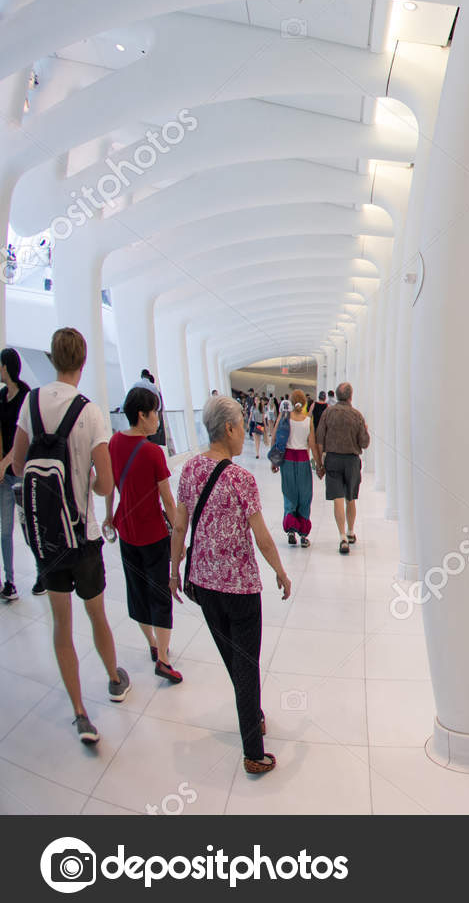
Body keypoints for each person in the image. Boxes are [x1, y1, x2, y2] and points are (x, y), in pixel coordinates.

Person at [11, 328, 126, 744]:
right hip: (83, 535)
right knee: (96, 614)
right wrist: (88, 482)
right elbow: (105, 482)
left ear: (53, 357)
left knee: (61, 623)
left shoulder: (31, 402)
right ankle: (115, 679)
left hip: (48, 539)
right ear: (83, 360)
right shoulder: (90, 411)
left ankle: (79, 712)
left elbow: (20, 464)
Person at [170, 394, 291, 775]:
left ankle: (252, 712)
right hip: (239, 589)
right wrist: (280, 571)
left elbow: (178, 525)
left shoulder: (189, 470)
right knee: (246, 665)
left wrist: (174, 568)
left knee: (234, 660)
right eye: (241, 426)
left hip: (204, 586)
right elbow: (263, 537)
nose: (245, 433)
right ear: (229, 428)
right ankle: (253, 751)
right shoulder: (241, 478)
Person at [107, 384, 183, 684]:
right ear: (142, 415)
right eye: (156, 414)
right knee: (160, 595)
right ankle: (163, 658)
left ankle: (152, 643)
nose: (159, 420)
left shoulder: (113, 443)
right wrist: (178, 536)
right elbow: (167, 500)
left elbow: (112, 484)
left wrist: (108, 515)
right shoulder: (152, 452)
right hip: (153, 535)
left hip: (126, 531)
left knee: (136, 592)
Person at [315, 382, 369, 555]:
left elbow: (319, 438)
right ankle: (351, 531)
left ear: (337, 396)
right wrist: (365, 430)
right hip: (352, 461)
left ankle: (342, 537)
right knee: (350, 497)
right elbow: (364, 443)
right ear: (351, 396)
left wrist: (319, 463)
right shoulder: (357, 416)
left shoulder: (328, 413)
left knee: (337, 498)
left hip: (332, 459)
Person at [0, 348, 31, 599]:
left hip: (20, 472)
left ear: (6, 367)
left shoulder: (26, 397)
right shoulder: (1, 396)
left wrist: (6, 462)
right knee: (4, 530)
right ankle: (9, 582)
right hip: (3, 475)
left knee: (28, 528)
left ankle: (43, 575)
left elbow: (24, 436)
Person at [273, 391, 321, 547]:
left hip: (287, 460)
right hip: (303, 461)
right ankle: (303, 535)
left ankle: (291, 531)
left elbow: (275, 437)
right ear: (304, 403)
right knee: (305, 496)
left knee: (289, 494)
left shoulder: (285, 418)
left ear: (291, 402)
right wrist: (319, 465)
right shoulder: (308, 421)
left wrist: (274, 461)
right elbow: (312, 444)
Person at [132, 368, 168, 452]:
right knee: (151, 443)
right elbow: (159, 406)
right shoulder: (153, 387)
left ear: (142, 375)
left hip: (138, 419)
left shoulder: (135, 385)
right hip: (148, 418)